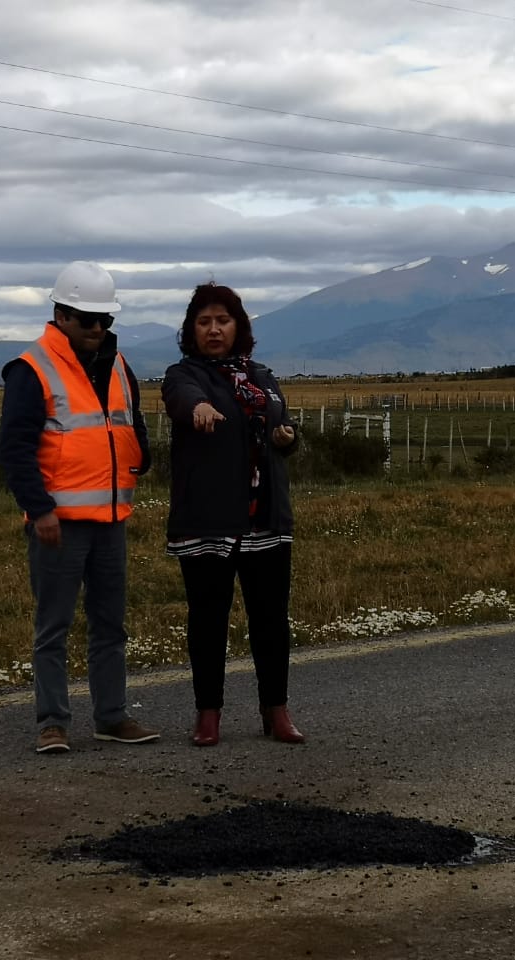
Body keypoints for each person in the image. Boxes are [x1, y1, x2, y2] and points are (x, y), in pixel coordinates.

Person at [0, 261, 159, 754]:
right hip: (58, 525)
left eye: (105, 320)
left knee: (111, 625)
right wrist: (39, 509)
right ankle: (52, 722)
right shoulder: (32, 369)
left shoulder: (120, 366)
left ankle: (111, 716)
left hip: (112, 520)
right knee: (54, 626)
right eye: (88, 318)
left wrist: (138, 461)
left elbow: (132, 427)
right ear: (60, 315)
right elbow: (15, 448)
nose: (97, 328)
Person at [162, 282, 304, 747]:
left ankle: (276, 712)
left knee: (271, 618)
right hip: (208, 520)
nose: (214, 329)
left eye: (222, 320)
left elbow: (280, 423)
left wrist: (288, 437)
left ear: (239, 326)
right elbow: (182, 400)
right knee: (208, 618)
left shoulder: (262, 375)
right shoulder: (183, 375)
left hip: (264, 517)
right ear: (191, 330)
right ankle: (208, 716)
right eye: (203, 322)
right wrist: (199, 407)